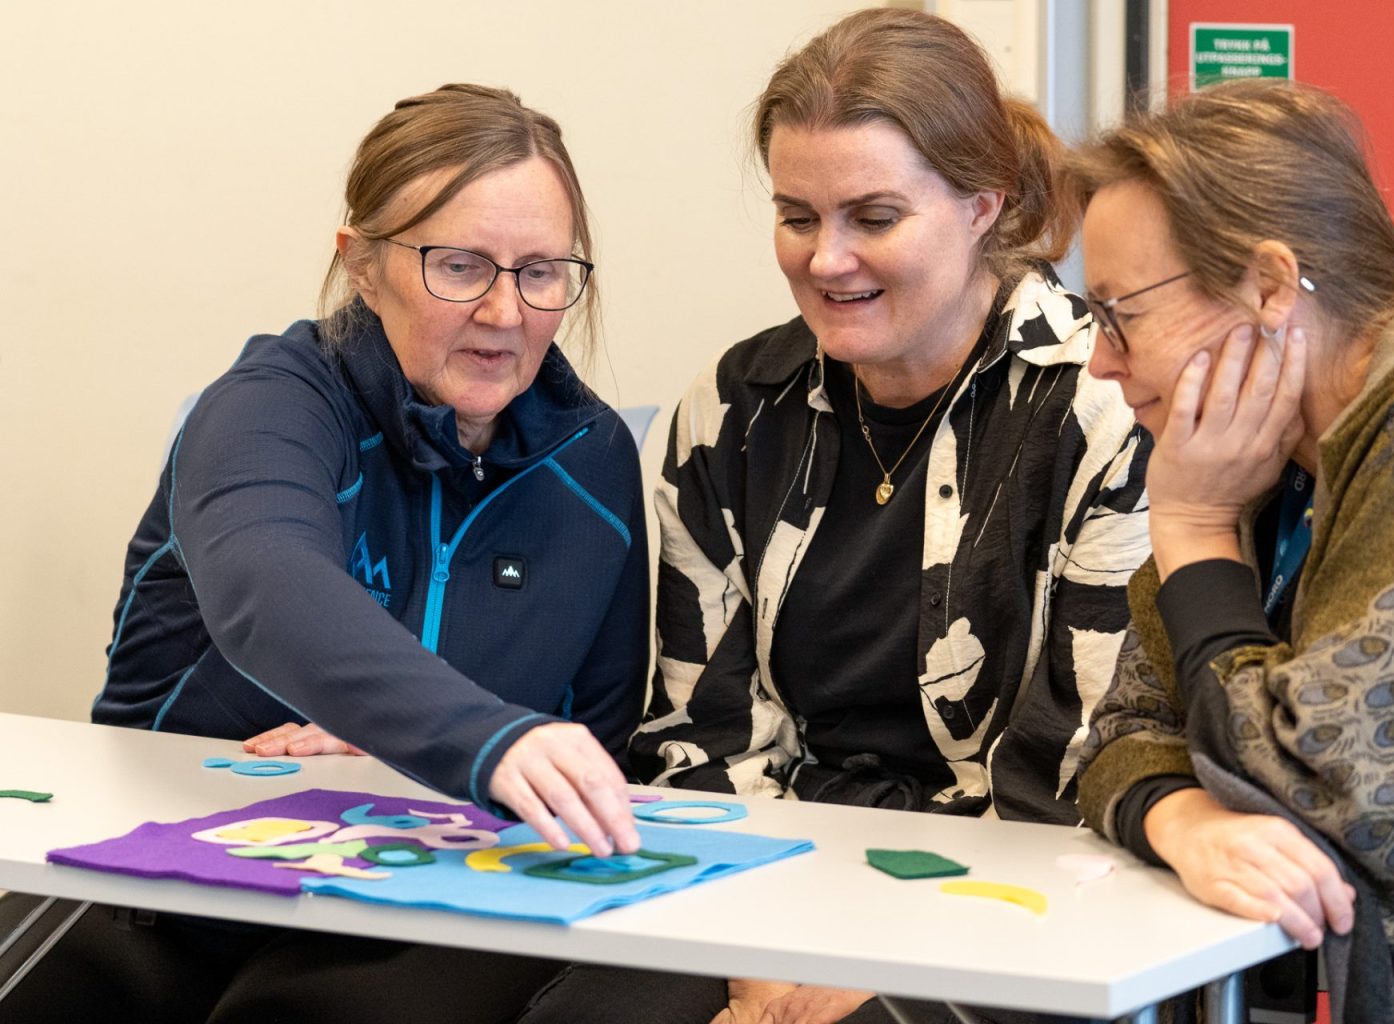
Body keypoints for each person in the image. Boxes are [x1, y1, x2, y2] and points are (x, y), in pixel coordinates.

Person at [519, 10, 1150, 1024]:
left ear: (984, 203)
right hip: (772, 877)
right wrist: (764, 954)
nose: (827, 260)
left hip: (1023, 903)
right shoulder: (732, 406)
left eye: (874, 217)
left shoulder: (1099, 407)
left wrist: (882, 971)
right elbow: (702, 738)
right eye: (798, 216)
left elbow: (1071, 772)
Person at [1, 83, 647, 1023]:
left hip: (439, 905)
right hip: (169, 889)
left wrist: (399, 731)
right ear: (361, 267)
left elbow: (601, 735)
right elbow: (271, 587)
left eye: (542, 271)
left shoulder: (593, 461)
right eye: (460, 266)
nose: (507, 312)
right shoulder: (269, 405)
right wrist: (464, 731)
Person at [1070, 80, 1394, 1023]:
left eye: (1120, 314)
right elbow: (1114, 736)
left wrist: (1196, 534)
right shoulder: (1268, 452)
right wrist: (1183, 818)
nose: (1100, 361)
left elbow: (1333, 790)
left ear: (1272, 287)